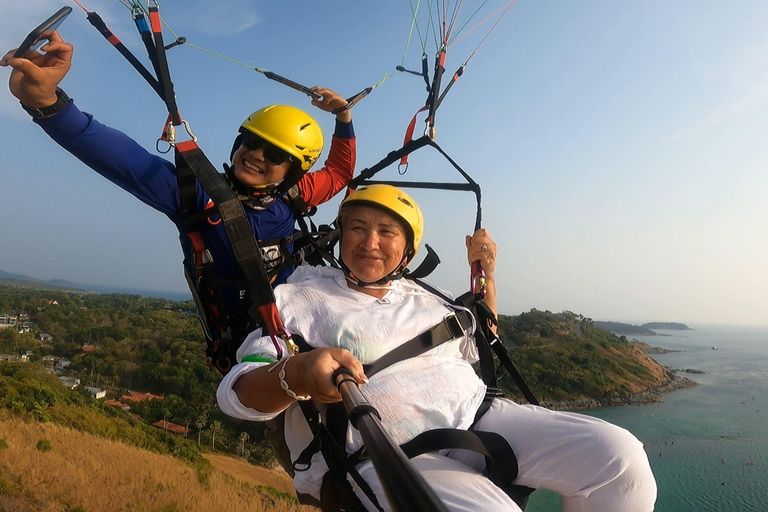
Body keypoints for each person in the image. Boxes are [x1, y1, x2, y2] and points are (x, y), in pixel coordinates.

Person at [216, 184, 658, 511]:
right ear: (341, 237)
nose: (370, 241)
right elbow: (235, 395)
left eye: (387, 232)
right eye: (358, 228)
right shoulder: (300, 297)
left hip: (476, 418)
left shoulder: (426, 295)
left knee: (618, 457)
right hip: (382, 451)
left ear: (406, 249)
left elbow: (482, 338)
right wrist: (296, 373)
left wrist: (486, 274)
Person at [2, 32, 356, 372]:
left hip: (302, 323)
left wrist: (343, 117)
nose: (255, 155)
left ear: (293, 171)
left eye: (275, 153)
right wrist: (47, 103)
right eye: (250, 140)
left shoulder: (295, 194)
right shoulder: (194, 195)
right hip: (253, 350)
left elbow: (339, 173)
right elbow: (122, 158)